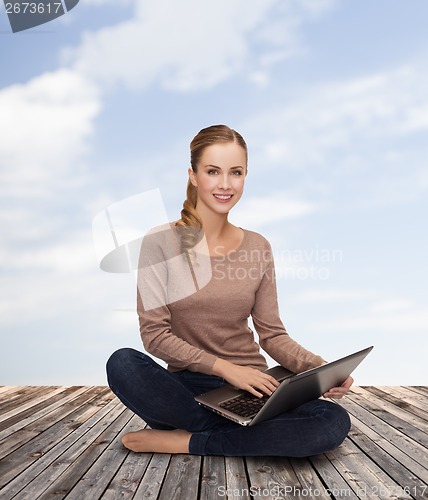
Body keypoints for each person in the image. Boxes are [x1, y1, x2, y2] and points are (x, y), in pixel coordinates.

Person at [106, 124, 352, 457]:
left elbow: (272, 334)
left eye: (235, 172)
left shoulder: (257, 246)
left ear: (245, 176)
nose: (225, 184)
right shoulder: (158, 243)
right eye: (213, 171)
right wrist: (224, 368)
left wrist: (318, 369)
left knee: (332, 420)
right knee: (122, 363)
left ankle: (192, 440)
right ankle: (241, 434)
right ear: (193, 176)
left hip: (256, 386)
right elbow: (155, 337)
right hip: (188, 388)